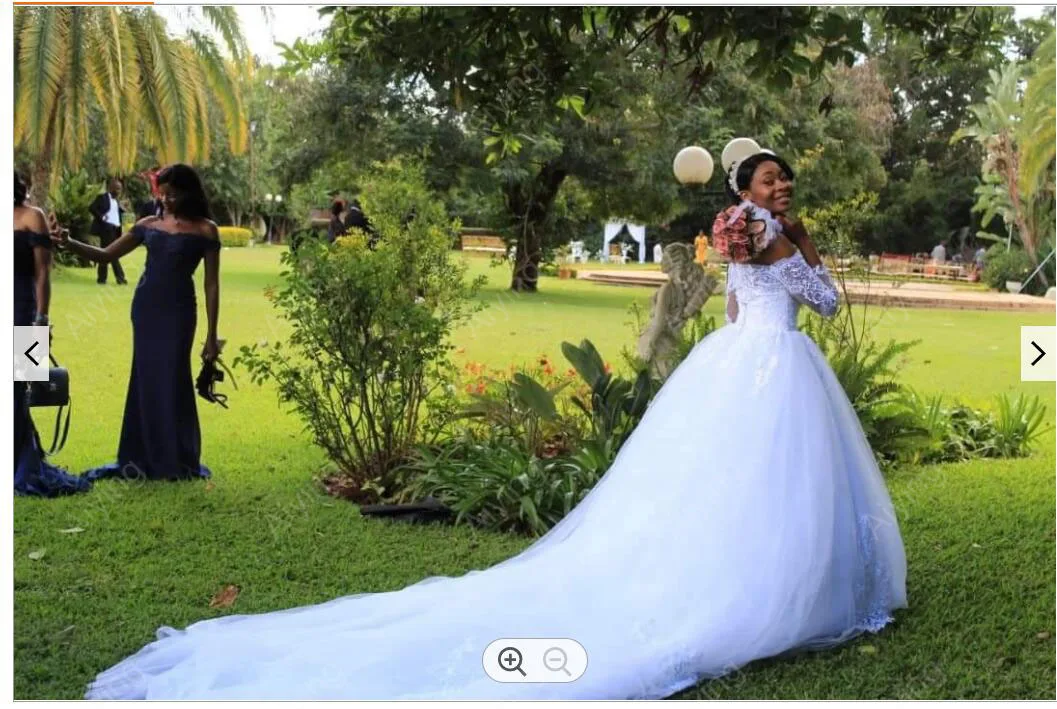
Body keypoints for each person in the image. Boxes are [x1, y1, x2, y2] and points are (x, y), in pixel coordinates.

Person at [83, 151, 906, 700]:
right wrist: (802, 243)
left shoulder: (737, 235)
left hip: (736, 358)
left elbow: (732, 302)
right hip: (770, 364)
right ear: (744, 193)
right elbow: (823, 302)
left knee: (730, 484)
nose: (781, 189)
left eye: (784, 182)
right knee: (765, 481)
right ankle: (767, 589)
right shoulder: (768, 233)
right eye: (770, 182)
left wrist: (777, 265)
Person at [54, 164, 221, 482]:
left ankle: (175, 456)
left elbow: (212, 285)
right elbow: (105, 255)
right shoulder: (148, 224)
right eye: (163, 193)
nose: (167, 200)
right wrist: (68, 242)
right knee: (145, 379)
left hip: (180, 312)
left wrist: (212, 336)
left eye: (174, 194)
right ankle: (139, 455)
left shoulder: (205, 230)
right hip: (145, 310)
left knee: (173, 377)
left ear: (190, 192)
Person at [13, 173, 91, 497]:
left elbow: (44, 272)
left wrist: (41, 321)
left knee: (19, 388)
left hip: (24, 309)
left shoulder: (33, 216)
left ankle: (24, 465)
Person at [89, 178, 129, 285]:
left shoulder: (116, 201)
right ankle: (120, 278)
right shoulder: (102, 198)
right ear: (111, 188)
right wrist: (101, 217)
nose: (119, 191)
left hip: (115, 230)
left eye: (120, 189)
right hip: (106, 229)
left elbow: (114, 212)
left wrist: (122, 209)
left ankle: (102, 279)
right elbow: (92, 208)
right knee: (113, 253)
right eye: (117, 189)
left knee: (105, 254)